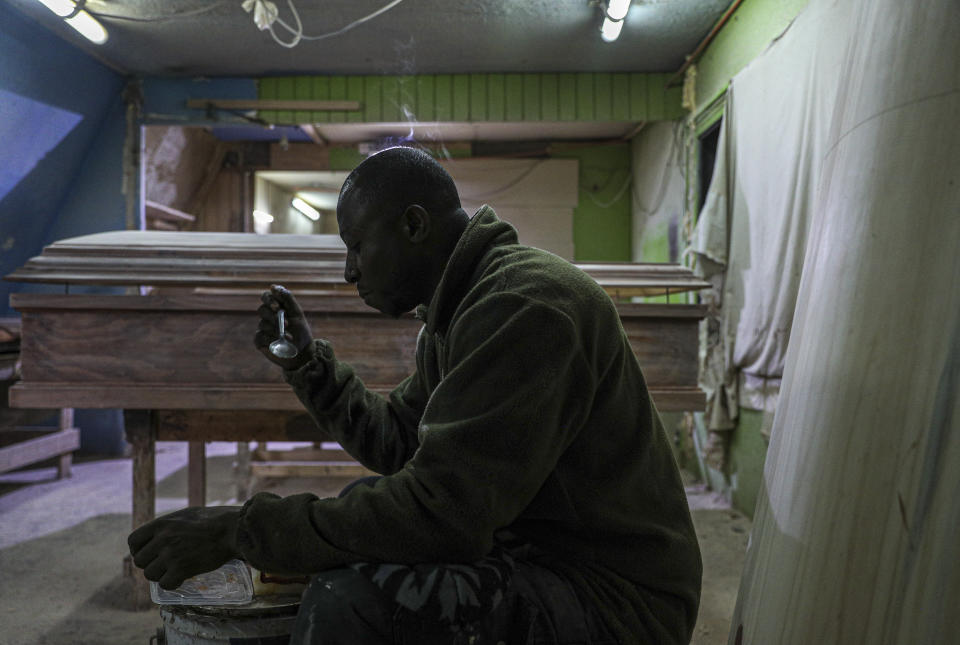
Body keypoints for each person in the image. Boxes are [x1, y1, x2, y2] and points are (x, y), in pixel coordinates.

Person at [128, 146, 702, 644]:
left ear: (414, 225)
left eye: (356, 245)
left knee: (351, 600)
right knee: (360, 517)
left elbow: (442, 513)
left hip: (613, 598)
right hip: (543, 556)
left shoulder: (524, 306)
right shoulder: (460, 310)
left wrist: (240, 531)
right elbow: (401, 442)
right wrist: (308, 366)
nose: (350, 271)